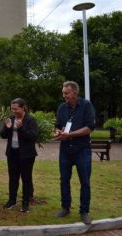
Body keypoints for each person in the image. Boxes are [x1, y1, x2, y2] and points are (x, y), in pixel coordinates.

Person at [54, 81, 95, 224]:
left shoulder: (86, 105)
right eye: (63, 93)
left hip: (82, 150)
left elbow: (89, 127)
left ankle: (84, 211)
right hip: (65, 150)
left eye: (66, 93)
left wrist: (70, 134)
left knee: (85, 181)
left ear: (75, 93)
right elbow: (58, 126)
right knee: (64, 180)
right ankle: (65, 207)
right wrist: (57, 132)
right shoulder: (61, 108)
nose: (64, 95)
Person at [0, 98, 38, 212]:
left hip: (26, 155)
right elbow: (3, 135)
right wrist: (7, 128)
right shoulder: (11, 118)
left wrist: (21, 128)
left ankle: (25, 203)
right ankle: (11, 201)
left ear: (22, 107)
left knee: (26, 179)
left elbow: (32, 136)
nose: (14, 111)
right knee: (13, 178)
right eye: (12, 109)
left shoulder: (30, 120)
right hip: (12, 153)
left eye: (16, 109)